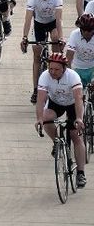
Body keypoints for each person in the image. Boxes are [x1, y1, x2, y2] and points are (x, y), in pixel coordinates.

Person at [35, 53, 86, 188]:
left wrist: (79, 118)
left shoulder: (73, 76)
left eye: (56, 69)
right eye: (51, 69)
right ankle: (56, 141)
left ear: (64, 68)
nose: (53, 72)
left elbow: (78, 99)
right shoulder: (45, 76)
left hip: (72, 104)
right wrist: (39, 119)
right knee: (46, 119)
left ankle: (80, 173)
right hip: (55, 103)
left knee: (75, 136)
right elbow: (40, 100)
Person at [20, 0, 64, 104]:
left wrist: (60, 38)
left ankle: (55, 65)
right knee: (37, 55)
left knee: (55, 38)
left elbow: (59, 20)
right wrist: (24, 37)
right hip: (38, 24)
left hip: (52, 23)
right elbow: (28, 19)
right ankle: (35, 90)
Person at [66, 14, 94, 89]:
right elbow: (69, 58)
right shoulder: (74, 34)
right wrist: (69, 75)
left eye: (89, 30)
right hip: (77, 69)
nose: (86, 32)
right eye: (83, 29)